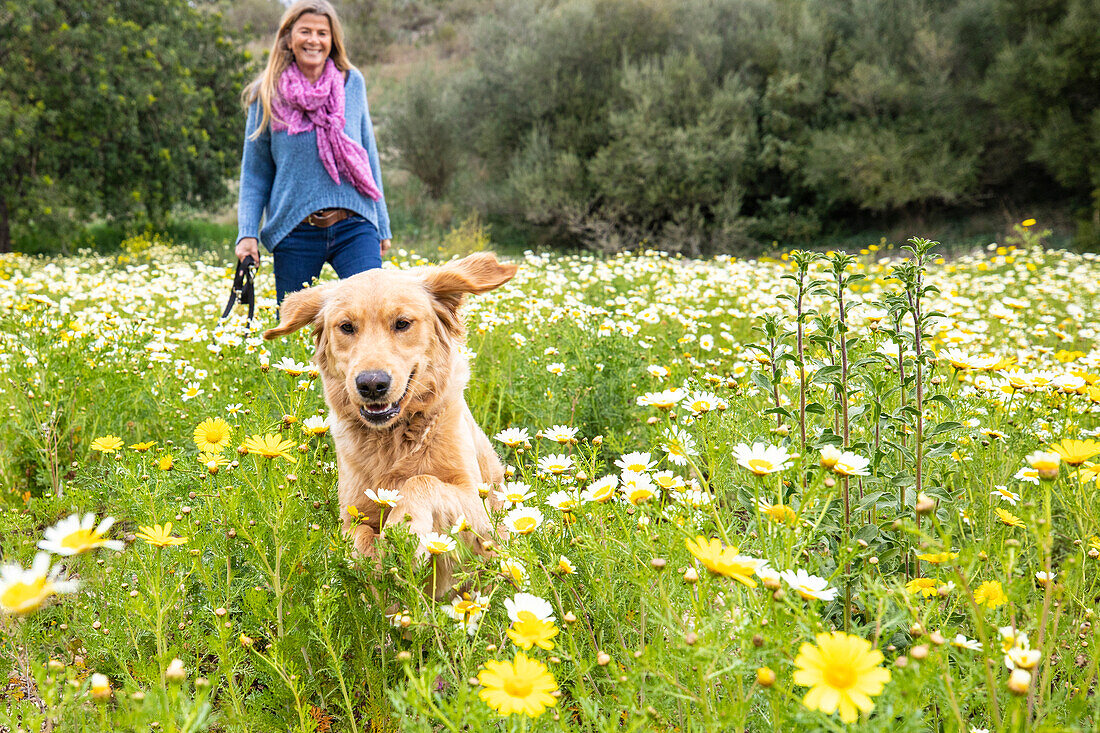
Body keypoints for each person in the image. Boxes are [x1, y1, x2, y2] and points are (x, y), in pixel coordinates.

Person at [235, 0, 392, 304]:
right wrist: (246, 233)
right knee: (295, 329)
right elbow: (255, 174)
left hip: (355, 224)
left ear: (332, 41)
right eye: (305, 31)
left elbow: (368, 156)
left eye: (322, 33)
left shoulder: (352, 83)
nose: (314, 40)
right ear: (288, 38)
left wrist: (382, 224)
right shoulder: (265, 92)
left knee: (374, 313)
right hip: (296, 231)